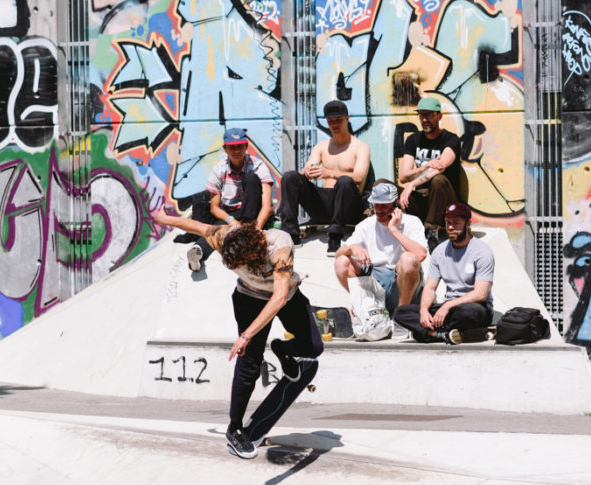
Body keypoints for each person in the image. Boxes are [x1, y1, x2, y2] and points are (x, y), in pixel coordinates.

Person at [153, 209, 323, 459]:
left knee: (313, 348)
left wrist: (245, 335)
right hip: (248, 299)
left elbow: (277, 299)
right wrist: (164, 219)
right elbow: (196, 225)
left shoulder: (280, 248)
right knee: (249, 364)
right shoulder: (225, 237)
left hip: (285, 297)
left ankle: (282, 350)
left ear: (254, 255)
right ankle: (234, 429)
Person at [277, 100, 370, 256]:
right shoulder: (321, 147)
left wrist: (330, 173)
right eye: (330, 121)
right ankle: (291, 235)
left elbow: (359, 177)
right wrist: (307, 172)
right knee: (290, 177)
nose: (334, 125)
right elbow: (308, 168)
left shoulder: (360, 147)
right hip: (322, 206)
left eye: (338, 120)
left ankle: (335, 237)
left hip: (347, 207)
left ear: (347, 119)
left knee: (345, 181)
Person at [332, 180, 427, 333]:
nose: (379, 210)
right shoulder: (366, 225)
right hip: (376, 281)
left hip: (403, 285)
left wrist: (394, 230)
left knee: (408, 259)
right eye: (376, 205)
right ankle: (367, 310)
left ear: (395, 205)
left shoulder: (412, 222)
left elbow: (421, 254)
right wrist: (353, 248)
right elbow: (338, 254)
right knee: (342, 262)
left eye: (384, 205)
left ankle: (402, 318)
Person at [392, 202, 494, 344]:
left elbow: (480, 294)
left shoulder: (482, 252)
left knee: (469, 312)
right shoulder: (440, 251)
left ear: (468, 223)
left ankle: (428, 333)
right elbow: (429, 288)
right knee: (401, 312)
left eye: (456, 223)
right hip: (448, 309)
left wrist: (447, 306)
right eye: (448, 223)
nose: (451, 227)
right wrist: (423, 311)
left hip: (474, 306)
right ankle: (442, 334)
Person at [182, 127, 274, 273]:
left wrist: (255, 229)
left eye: (239, 146)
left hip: (253, 213)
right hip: (231, 214)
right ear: (225, 148)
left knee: (251, 178)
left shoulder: (258, 166)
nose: (236, 151)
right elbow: (215, 208)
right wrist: (232, 221)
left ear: (246, 147)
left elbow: (267, 206)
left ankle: (258, 249)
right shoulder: (219, 169)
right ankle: (197, 252)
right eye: (232, 147)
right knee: (216, 231)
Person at [397, 96, 462, 249]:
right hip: (421, 201)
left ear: (439, 116)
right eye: (421, 115)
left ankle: (431, 231)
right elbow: (403, 176)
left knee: (438, 179)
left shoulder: (451, 140)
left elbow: (440, 167)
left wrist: (412, 183)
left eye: (429, 115)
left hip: (444, 202)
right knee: (384, 185)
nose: (425, 119)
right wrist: (423, 167)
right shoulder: (413, 140)